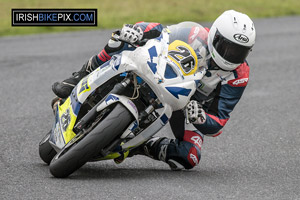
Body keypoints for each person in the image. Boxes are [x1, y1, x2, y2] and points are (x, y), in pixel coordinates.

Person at [52, 10, 256, 170]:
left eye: (240, 52)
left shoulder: (239, 75)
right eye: (228, 48)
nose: (232, 56)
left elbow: (220, 120)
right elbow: (160, 30)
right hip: (160, 72)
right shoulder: (196, 34)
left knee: (190, 156)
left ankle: (138, 146)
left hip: (189, 105)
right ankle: (79, 76)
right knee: (119, 40)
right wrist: (138, 31)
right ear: (215, 36)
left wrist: (201, 118)